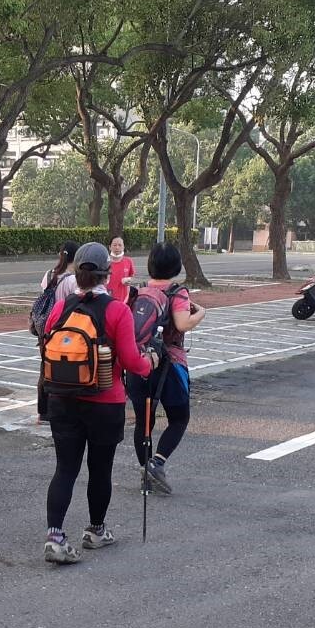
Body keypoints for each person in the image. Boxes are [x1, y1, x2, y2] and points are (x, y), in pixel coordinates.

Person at [41, 242, 154, 565]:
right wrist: (151, 361)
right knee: (99, 469)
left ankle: (55, 535)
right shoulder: (118, 310)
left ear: (77, 273)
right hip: (105, 400)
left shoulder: (60, 309)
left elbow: (46, 349)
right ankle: (95, 530)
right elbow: (133, 362)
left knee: (65, 468)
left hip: (62, 398)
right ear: (108, 273)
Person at [126, 242, 205, 495]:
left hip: (140, 362)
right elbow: (182, 324)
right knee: (179, 418)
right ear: (176, 266)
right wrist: (200, 313)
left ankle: (144, 471)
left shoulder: (139, 292)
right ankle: (156, 463)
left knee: (143, 422)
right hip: (169, 365)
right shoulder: (177, 292)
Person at [36, 240, 81, 422]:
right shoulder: (72, 279)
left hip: (45, 328)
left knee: (45, 369)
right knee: (64, 369)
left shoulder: (48, 274)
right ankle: (63, 409)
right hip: (64, 329)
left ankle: (43, 411)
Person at [108, 236, 136, 307]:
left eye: (120, 245)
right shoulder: (105, 262)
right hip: (107, 299)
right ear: (110, 247)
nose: (117, 247)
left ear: (123, 247)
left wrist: (129, 281)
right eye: (114, 245)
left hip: (123, 300)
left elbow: (132, 276)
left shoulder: (128, 261)